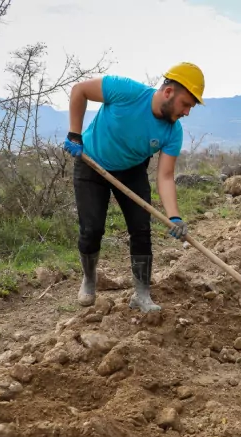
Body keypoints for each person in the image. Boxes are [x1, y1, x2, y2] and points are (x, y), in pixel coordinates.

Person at [62, 62, 205, 312]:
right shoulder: (125, 91)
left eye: (190, 108)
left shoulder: (173, 132)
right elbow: (79, 91)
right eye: (186, 105)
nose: (187, 112)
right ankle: (89, 278)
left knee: (141, 229)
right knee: (92, 228)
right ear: (169, 92)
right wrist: (75, 135)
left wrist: (174, 216)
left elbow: (166, 176)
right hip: (92, 164)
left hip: (131, 171)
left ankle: (141, 294)